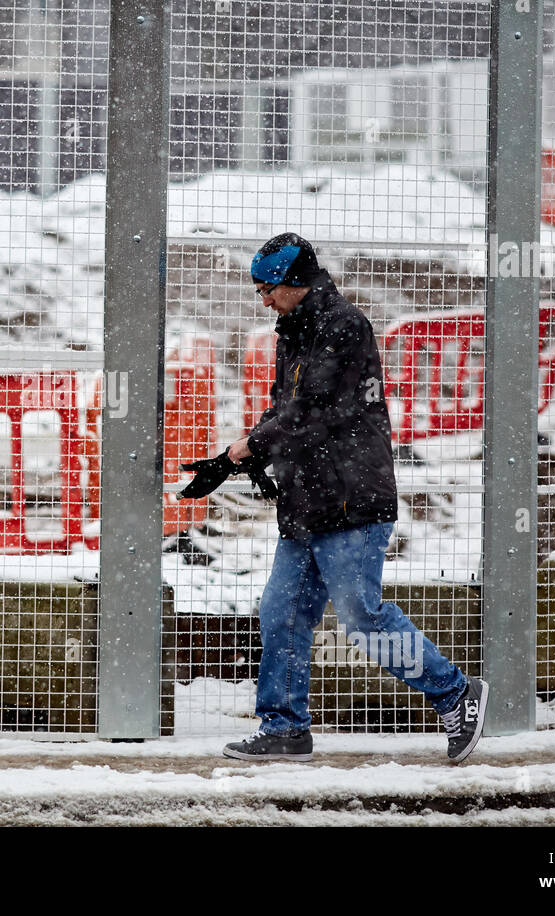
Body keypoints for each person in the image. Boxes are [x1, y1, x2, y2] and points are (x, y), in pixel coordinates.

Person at [179, 232, 488, 764]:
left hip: (351, 499)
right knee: (281, 613)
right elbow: (287, 410)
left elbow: (317, 411)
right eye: (258, 290)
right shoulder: (291, 332)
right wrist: (250, 456)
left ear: (296, 281)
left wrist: (242, 451)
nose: (263, 299)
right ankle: (285, 728)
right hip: (307, 501)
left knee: (361, 615)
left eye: (269, 288)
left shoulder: (343, 326)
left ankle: (456, 694)